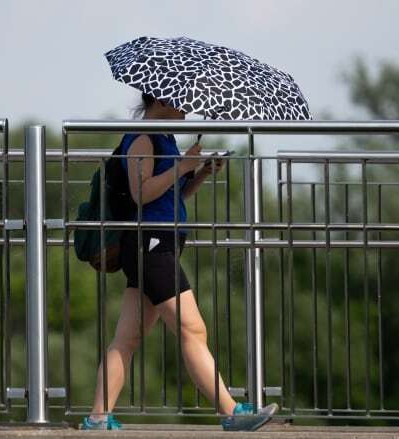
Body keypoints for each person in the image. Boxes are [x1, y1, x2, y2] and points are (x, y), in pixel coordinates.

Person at [81, 93, 278, 431]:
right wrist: (182, 166)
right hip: (150, 245)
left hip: (158, 244)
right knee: (192, 328)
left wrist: (198, 173)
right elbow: (141, 192)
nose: (187, 105)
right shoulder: (142, 138)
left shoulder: (166, 137)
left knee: (127, 338)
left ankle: (97, 418)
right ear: (158, 99)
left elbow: (172, 194)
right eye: (180, 99)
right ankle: (231, 412)